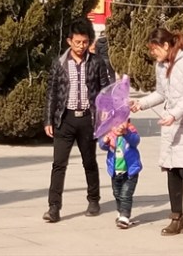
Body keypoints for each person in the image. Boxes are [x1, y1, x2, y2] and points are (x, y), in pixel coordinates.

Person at [130, 27, 183, 236]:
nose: (153, 53)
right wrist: (142, 103)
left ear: (166, 45)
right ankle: (177, 218)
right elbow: (161, 92)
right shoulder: (161, 64)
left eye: (155, 49)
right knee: (172, 168)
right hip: (171, 121)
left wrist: (174, 114)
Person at [42, 19, 111, 223]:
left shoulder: (97, 62)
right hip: (65, 119)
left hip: (88, 119)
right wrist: (48, 120)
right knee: (58, 164)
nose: (81, 46)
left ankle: (93, 199)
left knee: (89, 161)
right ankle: (54, 207)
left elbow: (106, 91)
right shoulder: (60, 63)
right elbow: (52, 93)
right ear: (69, 41)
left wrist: (106, 116)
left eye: (85, 42)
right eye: (78, 42)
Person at [98, 118, 142, 229]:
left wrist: (126, 133)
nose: (119, 127)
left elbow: (135, 141)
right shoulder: (110, 134)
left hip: (130, 171)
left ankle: (124, 216)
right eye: (115, 124)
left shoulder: (131, 132)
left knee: (126, 194)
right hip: (115, 171)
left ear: (128, 123)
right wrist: (105, 141)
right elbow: (102, 146)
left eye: (122, 123)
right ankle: (120, 210)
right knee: (117, 193)